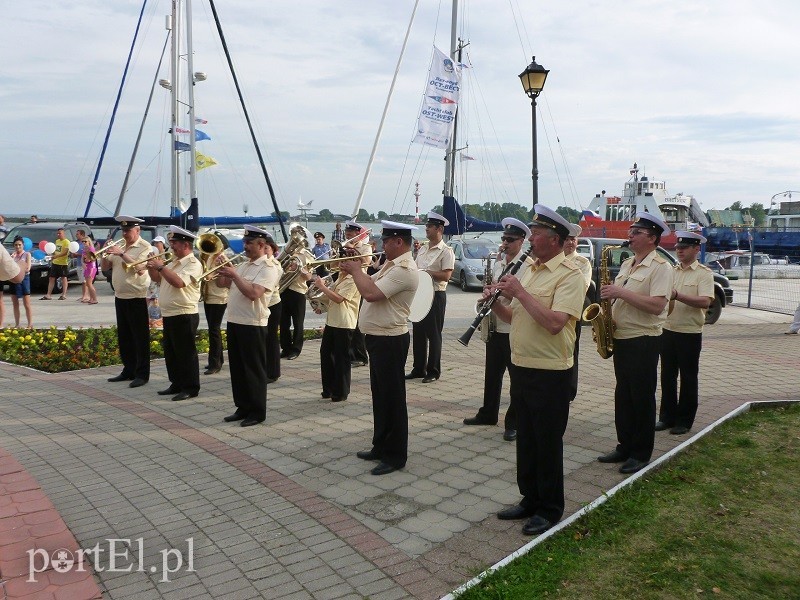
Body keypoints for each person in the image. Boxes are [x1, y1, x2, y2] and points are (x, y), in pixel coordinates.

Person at [491, 205, 586, 536]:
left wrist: (519, 291)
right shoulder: (529, 270)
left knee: (546, 442)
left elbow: (556, 323)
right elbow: (514, 317)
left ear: (555, 239)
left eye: (537, 233)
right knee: (527, 440)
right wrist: (495, 303)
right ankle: (529, 498)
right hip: (522, 365)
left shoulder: (571, 275)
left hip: (550, 371)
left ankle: (549, 508)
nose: (531, 237)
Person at [339, 220, 419, 476]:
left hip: (390, 340)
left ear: (398, 242)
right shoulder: (391, 264)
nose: (381, 244)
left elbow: (371, 293)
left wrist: (355, 271)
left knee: (392, 399)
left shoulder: (404, 269)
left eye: (386, 241)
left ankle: (395, 455)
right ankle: (380, 445)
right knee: (380, 396)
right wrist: (359, 267)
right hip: (378, 338)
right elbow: (371, 280)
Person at [597, 212, 673, 474]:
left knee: (641, 397)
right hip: (622, 338)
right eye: (631, 231)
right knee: (623, 396)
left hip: (643, 340)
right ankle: (624, 445)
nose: (630, 235)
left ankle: (641, 453)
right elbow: (620, 297)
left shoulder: (661, 267)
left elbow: (657, 305)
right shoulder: (629, 263)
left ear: (652, 238)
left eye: (636, 232)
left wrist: (620, 292)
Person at [463, 218, 531, 441]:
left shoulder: (527, 267)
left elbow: (524, 297)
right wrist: (488, 294)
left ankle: (514, 422)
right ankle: (488, 413)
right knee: (492, 375)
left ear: (522, 241)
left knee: (517, 382)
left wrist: (500, 294)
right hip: (495, 326)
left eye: (510, 240)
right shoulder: (500, 262)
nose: (505, 243)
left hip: (514, 327)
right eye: (503, 239)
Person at [217, 225, 281, 427]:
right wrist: (223, 270)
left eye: (249, 243)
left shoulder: (268, 268)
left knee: (253, 370)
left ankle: (257, 411)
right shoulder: (244, 265)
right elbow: (222, 284)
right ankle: (242, 407)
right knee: (238, 369)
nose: (245, 246)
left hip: (253, 324)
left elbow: (254, 293)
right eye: (245, 242)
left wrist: (235, 275)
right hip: (235, 321)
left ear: (262, 244)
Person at [657, 231, 714, 435]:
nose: (679, 250)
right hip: (668, 329)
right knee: (667, 377)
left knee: (688, 378)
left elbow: (706, 301)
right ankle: (667, 417)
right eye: (678, 247)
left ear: (696, 249)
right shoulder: (672, 270)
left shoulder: (704, 273)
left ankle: (685, 420)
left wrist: (678, 295)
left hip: (689, 332)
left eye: (684, 247)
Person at [147, 226, 203, 402]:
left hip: (184, 313)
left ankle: (190, 387)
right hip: (170, 313)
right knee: (171, 353)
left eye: (175, 243)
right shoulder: (173, 262)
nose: (172, 247)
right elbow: (157, 279)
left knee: (186, 353)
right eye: (171, 243)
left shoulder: (193, 264)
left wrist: (161, 267)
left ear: (186, 245)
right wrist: (151, 267)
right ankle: (176, 383)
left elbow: (179, 282)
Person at [102, 216, 153, 388]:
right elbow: (105, 268)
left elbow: (140, 269)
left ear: (137, 231)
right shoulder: (120, 245)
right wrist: (103, 253)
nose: (124, 233)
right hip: (120, 296)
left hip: (136, 297)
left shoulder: (145, 247)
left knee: (140, 338)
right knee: (125, 337)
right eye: (123, 230)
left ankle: (142, 374)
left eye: (128, 230)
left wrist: (122, 254)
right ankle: (128, 370)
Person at [406, 211, 455, 383]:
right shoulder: (424, 248)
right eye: (426, 226)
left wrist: (427, 273)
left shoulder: (446, 251)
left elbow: (447, 275)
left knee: (434, 334)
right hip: (420, 293)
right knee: (418, 332)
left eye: (429, 226)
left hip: (436, 294)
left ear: (439, 229)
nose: (426, 229)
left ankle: (433, 371)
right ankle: (418, 368)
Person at [309, 260, 361, 402]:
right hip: (332, 320)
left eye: (344, 263)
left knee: (341, 358)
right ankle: (329, 389)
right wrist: (322, 306)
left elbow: (339, 299)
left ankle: (341, 392)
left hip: (344, 322)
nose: (341, 265)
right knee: (326, 354)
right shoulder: (339, 277)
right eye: (340, 262)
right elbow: (330, 296)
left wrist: (321, 286)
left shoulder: (354, 280)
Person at [563, 224, 592, 402]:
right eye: (567, 239)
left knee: (572, 350)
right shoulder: (551, 260)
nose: (570, 243)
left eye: (573, 239)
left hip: (572, 313)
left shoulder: (582, 263)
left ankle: (570, 389)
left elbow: (583, 287)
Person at [344, 220, 371, 367]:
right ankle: (350, 353)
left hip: (358, 286)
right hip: (345, 285)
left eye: (350, 234)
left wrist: (354, 250)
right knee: (348, 321)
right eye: (346, 234)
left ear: (357, 234)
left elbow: (367, 262)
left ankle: (361, 356)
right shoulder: (343, 245)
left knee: (357, 323)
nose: (347, 236)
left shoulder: (365, 247)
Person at [279, 236, 310, 361]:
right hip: (283, 290)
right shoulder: (287, 253)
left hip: (298, 292)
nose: (295, 243)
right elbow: (278, 266)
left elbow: (308, 277)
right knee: (283, 322)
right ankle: (285, 348)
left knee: (298, 323)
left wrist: (300, 270)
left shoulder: (306, 256)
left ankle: (296, 349)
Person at [264, 238, 283, 383]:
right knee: (264, 339)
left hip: (272, 304)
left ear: (273, 250)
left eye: (267, 249)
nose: (264, 251)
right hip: (262, 305)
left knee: (271, 338)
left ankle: (273, 372)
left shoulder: (275, 265)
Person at [41, 228, 71, 300]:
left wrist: (55, 256)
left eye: (60, 233)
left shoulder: (66, 242)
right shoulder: (57, 241)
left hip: (63, 263)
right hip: (55, 262)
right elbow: (55, 250)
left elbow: (65, 253)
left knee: (63, 278)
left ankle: (63, 294)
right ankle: (48, 294)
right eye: (57, 233)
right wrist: (51, 255)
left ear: (64, 234)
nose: (58, 235)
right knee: (51, 278)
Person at [10, 237, 31, 328]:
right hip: (14, 279)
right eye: (16, 245)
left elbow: (28, 268)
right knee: (15, 303)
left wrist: (19, 264)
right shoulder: (12, 256)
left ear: (23, 245)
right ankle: (17, 324)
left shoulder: (27, 254)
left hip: (24, 279)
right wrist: (12, 259)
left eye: (19, 245)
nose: (18, 246)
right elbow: (9, 268)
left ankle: (29, 324)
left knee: (26, 303)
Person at [147, 236, 167, 328]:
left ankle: (158, 323)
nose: (156, 244)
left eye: (158, 242)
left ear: (162, 243)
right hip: (152, 285)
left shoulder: (166, 255)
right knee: (151, 304)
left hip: (160, 285)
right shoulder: (154, 253)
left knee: (157, 304)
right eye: (154, 243)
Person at [72, 229, 89, 302]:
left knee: (85, 281)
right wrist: (73, 254)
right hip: (79, 263)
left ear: (82, 235)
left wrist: (78, 254)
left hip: (84, 264)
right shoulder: (77, 243)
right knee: (82, 281)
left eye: (78, 234)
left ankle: (86, 296)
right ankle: (83, 295)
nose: (76, 235)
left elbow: (87, 254)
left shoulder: (85, 243)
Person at [82, 237, 99, 304]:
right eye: (83, 241)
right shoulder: (84, 249)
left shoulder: (91, 249)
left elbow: (92, 259)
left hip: (91, 267)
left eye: (85, 241)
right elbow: (83, 259)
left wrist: (87, 259)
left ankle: (95, 299)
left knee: (89, 284)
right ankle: (91, 298)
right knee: (88, 284)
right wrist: (83, 262)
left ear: (89, 242)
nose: (84, 243)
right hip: (86, 267)